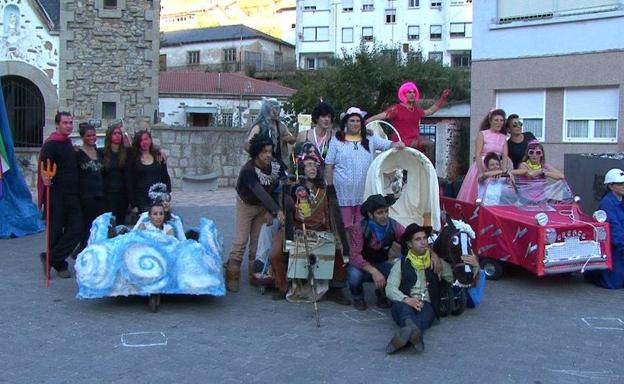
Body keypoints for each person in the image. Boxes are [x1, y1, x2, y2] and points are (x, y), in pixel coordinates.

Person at [385, 223, 479, 354]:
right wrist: (407, 299)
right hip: (405, 302)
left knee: (428, 313)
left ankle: (405, 335)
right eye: (418, 239)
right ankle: (415, 334)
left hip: (427, 303)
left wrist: (475, 266)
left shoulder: (437, 263)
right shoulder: (400, 265)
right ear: (409, 244)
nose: (423, 242)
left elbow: (457, 279)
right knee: (403, 310)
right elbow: (390, 289)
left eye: (424, 238)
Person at [269, 155, 351, 304]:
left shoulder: (324, 189)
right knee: (275, 254)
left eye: (314, 165)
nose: (312, 168)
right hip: (294, 228)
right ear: (301, 169)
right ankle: (283, 287)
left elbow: (331, 211)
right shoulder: (293, 187)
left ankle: (336, 288)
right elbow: (286, 210)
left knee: (339, 248)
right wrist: (294, 212)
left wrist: (330, 227)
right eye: (308, 165)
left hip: (319, 229)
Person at [325, 107, 405, 231]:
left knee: (361, 225)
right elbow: (329, 165)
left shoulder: (370, 139)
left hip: (363, 191)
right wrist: (330, 187)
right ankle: (346, 249)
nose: (355, 123)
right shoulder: (336, 140)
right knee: (344, 225)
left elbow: (388, 145)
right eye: (352, 121)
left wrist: (397, 144)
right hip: (343, 192)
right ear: (346, 122)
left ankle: (358, 249)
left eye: (358, 121)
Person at [224, 133, 286, 292]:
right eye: (264, 151)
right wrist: (277, 210)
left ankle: (255, 275)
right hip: (246, 205)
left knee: (256, 243)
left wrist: (270, 210)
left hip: (263, 207)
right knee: (241, 240)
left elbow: (281, 186)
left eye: (270, 151)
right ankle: (232, 274)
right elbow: (260, 192)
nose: (268, 155)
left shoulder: (275, 165)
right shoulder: (248, 170)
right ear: (256, 152)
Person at [37, 112, 83, 278]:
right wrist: (45, 178)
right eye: (65, 123)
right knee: (55, 231)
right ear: (57, 125)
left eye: (71, 122)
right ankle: (60, 264)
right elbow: (44, 166)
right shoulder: (51, 144)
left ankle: (50, 258)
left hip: (72, 194)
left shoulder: (68, 143)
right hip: (56, 194)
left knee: (77, 229)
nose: (69, 126)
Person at [346, 194, 406, 310]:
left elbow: (409, 238)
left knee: (397, 270)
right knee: (354, 275)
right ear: (370, 214)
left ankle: (382, 294)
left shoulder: (393, 225)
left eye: (386, 211)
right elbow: (354, 256)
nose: (385, 216)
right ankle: (358, 297)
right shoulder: (358, 228)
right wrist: (374, 271)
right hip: (362, 266)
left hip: (381, 262)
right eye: (380, 213)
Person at [366, 82, 450, 158]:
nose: (412, 94)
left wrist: (442, 98)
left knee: (427, 146)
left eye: (414, 92)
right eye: (409, 92)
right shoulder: (397, 108)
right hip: (401, 141)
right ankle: (428, 169)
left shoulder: (416, 110)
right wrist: (366, 122)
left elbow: (430, 111)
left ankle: (425, 169)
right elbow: (381, 116)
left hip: (415, 141)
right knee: (430, 144)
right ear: (404, 94)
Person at [457, 109, 510, 202]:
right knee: (478, 192)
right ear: (490, 121)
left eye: (501, 120)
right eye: (496, 120)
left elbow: (505, 155)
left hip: (495, 167)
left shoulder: (503, 137)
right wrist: (481, 172)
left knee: (494, 194)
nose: (499, 123)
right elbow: (477, 154)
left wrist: (503, 170)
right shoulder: (482, 134)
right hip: (481, 166)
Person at [586, 169, 624, 289]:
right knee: (614, 283)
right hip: (615, 247)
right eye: (620, 184)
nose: (623, 186)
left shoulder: (621, 199)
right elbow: (615, 231)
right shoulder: (607, 203)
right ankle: (592, 274)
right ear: (611, 186)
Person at [76, 122, 106, 251]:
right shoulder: (77, 153)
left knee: (98, 225)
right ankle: (82, 251)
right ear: (83, 137)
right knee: (86, 226)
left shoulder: (99, 152)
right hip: (86, 195)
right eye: (88, 136)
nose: (92, 138)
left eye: (93, 135)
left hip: (100, 194)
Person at [126, 129, 171, 215]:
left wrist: (167, 197)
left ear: (150, 140)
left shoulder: (158, 156)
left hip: (158, 200)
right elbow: (129, 182)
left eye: (146, 139)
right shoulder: (133, 158)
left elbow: (165, 177)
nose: (144, 142)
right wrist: (133, 204)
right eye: (141, 140)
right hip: (141, 201)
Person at [245, 98, 296, 167]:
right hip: (261, 164)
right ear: (267, 110)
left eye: (278, 109)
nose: (277, 112)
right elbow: (248, 144)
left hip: (277, 163)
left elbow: (292, 140)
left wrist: (287, 138)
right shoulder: (259, 126)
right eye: (275, 109)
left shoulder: (281, 126)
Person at [102, 121, 131, 225]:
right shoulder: (103, 153)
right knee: (108, 224)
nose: (117, 136)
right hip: (107, 195)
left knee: (120, 224)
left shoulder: (127, 153)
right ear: (110, 136)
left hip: (122, 195)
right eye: (114, 133)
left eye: (119, 133)